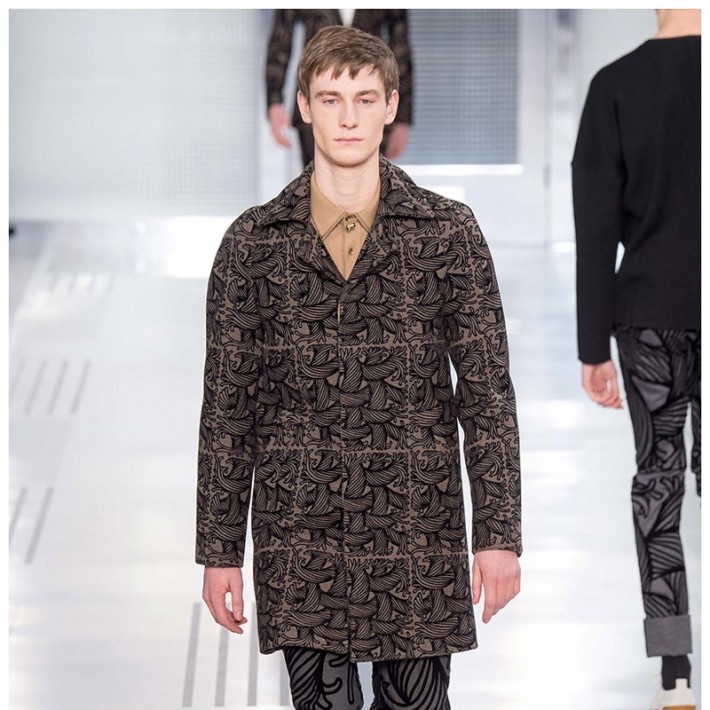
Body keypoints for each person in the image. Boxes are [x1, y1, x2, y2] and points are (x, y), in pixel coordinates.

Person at [197, 25, 521, 710]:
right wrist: (219, 551)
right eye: (331, 99)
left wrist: (498, 535)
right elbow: (229, 408)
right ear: (304, 107)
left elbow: (487, 394)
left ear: (390, 105)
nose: (348, 117)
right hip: (300, 530)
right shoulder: (253, 244)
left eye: (365, 99)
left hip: (418, 527)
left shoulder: (447, 234)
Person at [572, 9, 700, 710]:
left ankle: (675, 669)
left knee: (659, 486)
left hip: (649, 314)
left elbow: (595, 227)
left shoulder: (616, 86)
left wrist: (593, 346)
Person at [265, 10, 413, 167]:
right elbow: (281, 40)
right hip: (318, 102)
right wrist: (275, 101)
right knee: (318, 172)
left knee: (368, 173)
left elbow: (400, 47)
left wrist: (402, 118)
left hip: (370, 103)